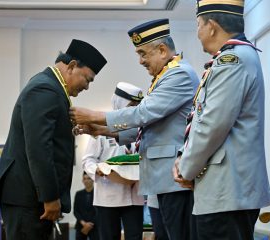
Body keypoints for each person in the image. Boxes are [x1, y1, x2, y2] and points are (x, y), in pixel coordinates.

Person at [71, 19, 199, 240]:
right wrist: (101, 131)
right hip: (160, 181)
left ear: (161, 50)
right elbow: (148, 128)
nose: (140, 61)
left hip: (173, 179)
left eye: (143, 54)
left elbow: (143, 114)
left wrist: (94, 115)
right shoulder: (162, 77)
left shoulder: (179, 74)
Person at [173, 1, 270, 239]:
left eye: (198, 25)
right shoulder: (233, 58)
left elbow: (212, 125)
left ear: (213, 26)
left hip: (227, 191)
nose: (197, 33)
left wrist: (186, 168)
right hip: (223, 190)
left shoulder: (233, 61)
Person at [0, 39, 107, 240]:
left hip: (31, 197)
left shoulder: (51, 87)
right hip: (28, 198)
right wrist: (50, 197)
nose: (87, 87)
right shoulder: (45, 89)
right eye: (87, 79)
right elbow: (39, 148)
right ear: (72, 66)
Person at [82, 82, 145, 240]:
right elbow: (87, 159)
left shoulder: (141, 127)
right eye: (131, 104)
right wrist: (96, 169)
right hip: (107, 197)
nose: (134, 108)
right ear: (120, 103)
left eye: (137, 105)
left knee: (135, 237)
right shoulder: (101, 128)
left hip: (134, 197)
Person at [73, 171, 98, 240]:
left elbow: (99, 211)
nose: (86, 181)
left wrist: (91, 223)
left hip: (94, 226)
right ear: (82, 180)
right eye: (84, 179)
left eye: (88, 178)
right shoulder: (78, 194)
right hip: (81, 226)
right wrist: (83, 223)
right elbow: (76, 211)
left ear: (93, 180)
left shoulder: (98, 194)